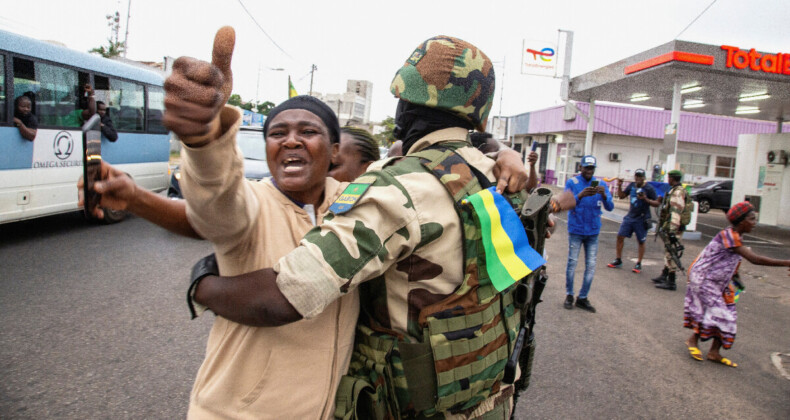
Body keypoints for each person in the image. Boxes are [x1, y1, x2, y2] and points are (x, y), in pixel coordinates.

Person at [176, 33, 547, 419]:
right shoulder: (500, 176)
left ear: (403, 108)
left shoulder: (401, 189)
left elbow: (283, 298)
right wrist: (500, 148)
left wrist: (202, 284)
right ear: (480, 116)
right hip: (489, 400)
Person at [683, 202, 790, 367]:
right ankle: (692, 340)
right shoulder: (730, 235)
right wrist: (786, 263)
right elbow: (754, 259)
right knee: (719, 314)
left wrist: (736, 278)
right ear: (741, 221)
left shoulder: (738, 236)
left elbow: (731, 259)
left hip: (721, 281)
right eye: (752, 219)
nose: (755, 223)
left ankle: (714, 352)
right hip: (704, 279)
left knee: (729, 312)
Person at [563, 155, 614, 313]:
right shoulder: (573, 183)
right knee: (572, 263)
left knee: (590, 266)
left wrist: (604, 195)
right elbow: (565, 203)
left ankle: (583, 297)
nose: (589, 171)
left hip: (593, 231)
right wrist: (580, 195)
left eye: (592, 168)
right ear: (581, 168)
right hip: (576, 230)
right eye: (586, 168)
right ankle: (569, 295)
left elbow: (610, 207)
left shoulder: (601, 184)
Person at [607, 169, 659, 273]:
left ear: (644, 177)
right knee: (620, 236)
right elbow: (622, 196)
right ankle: (618, 259)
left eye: (640, 177)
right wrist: (620, 185)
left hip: (642, 217)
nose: (638, 179)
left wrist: (645, 199)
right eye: (637, 176)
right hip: (630, 216)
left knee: (641, 241)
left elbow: (657, 203)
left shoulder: (649, 188)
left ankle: (639, 263)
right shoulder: (632, 185)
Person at [654, 169, 687, 290]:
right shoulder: (675, 190)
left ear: (672, 178)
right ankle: (665, 274)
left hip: (674, 227)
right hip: (672, 226)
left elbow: (676, 212)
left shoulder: (677, 193)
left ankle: (671, 281)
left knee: (671, 253)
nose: (668, 180)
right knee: (668, 252)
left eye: (669, 177)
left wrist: (672, 231)